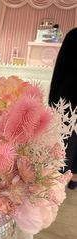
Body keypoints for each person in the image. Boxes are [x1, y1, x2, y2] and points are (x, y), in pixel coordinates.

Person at [49, 27, 77, 189]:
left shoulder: (74, 35)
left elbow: (60, 68)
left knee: (65, 138)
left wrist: (52, 99)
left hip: (68, 95)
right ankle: (72, 179)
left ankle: (61, 177)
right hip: (68, 95)